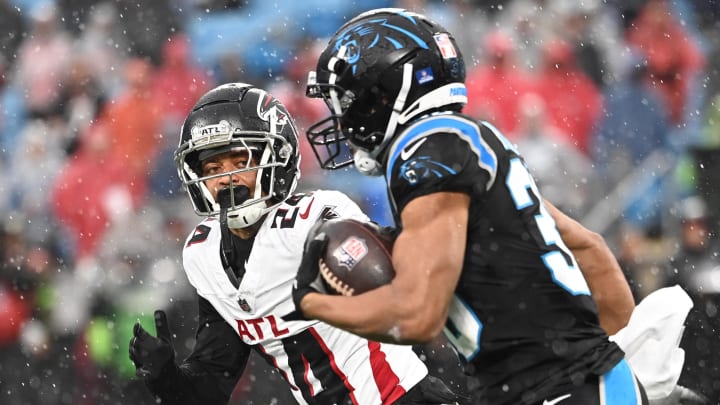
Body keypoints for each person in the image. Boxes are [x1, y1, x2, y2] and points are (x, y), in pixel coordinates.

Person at [294, 8, 646, 405]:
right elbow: (589, 249)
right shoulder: (466, 140)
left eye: (345, 101)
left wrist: (311, 303)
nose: (341, 122)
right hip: (574, 384)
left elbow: (417, 316)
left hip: (556, 390)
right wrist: (616, 362)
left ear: (382, 92)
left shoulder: (427, 150)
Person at [127, 82, 466, 404]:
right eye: (212, 166)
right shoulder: (204, 253)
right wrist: (165, 376)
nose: (225, 178)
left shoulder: (313, 219)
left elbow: (402, 282)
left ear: (276, 157)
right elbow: (212, 385)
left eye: (240, 161)